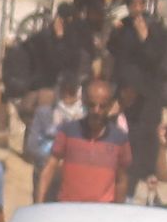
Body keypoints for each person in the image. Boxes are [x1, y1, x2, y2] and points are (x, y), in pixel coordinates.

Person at [44, 73, 135, 206]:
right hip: (68, 209)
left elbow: (121, 180)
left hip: (101, 212)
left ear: (110, 106)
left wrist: (117, 211)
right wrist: (39, 202)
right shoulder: (68, 131)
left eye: (102, 106)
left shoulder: (119, 139)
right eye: (92, 105)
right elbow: (50, 168)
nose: (96, 111)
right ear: (85, 102)